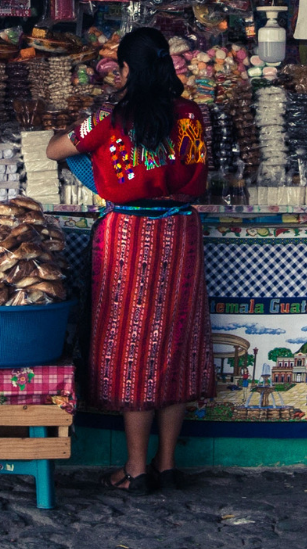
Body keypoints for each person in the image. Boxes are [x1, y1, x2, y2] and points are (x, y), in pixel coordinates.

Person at [46, 28, 214, 495]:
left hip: (131, 237)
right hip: (180, 233)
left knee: (133, 345)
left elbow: (54, 150)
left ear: (126, 69)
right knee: (176, 340)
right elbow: (198, 171)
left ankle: (136, 469)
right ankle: (166, 464)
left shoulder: (110, 116)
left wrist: (93, 155)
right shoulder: (190, 116)